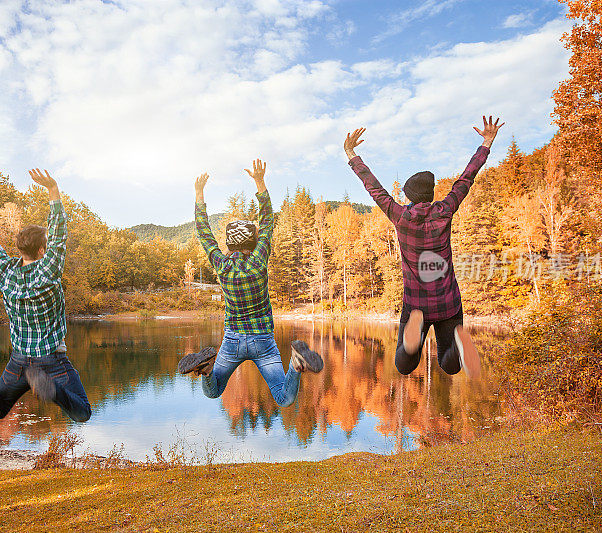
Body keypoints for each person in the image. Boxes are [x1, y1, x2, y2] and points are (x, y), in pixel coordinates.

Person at [344, 116, 504, 379]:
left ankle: (411, 343)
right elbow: (466, 179)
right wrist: (487, 142)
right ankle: (456, 349)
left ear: (408, 196)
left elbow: (374, 188)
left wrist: (352, 154)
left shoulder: (401, 216)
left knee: (403, 366)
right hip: (448, 302)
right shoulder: (445, 210)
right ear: (429, 195)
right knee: (450, 366)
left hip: (416, 303)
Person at [0, 169, 91, 422]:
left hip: (19, 361)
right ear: (42, 250)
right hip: (51, 361)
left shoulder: (4, 273)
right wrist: (53, 190)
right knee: (82, 412)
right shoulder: (48, 270)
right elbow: (59, 235)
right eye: (48, 246)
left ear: (21, 248)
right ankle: (52, 392)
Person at [177, 159, 323, 406]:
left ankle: (205, 369)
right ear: (254, 242)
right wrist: (259, 182)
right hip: (263, 341)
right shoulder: (259, 260)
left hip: (233, 340)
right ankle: (297, 364)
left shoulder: (222, 265)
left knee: (211, 392)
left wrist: (199, 194)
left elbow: (204, 233)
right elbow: (267, 222)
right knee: (284, 399)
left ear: (229, 243)